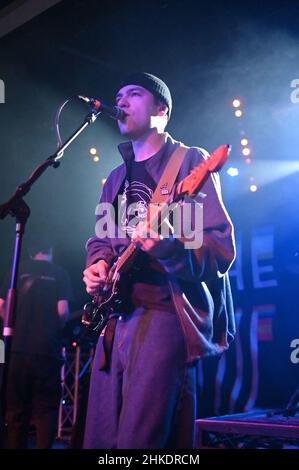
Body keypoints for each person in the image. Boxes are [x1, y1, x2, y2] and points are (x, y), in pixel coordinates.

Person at [82, 72, 236, 449]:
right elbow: (101, 240)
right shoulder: (115, 178)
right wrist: (97, 265)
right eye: (118, 95)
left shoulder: (189, 163)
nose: (122, 102)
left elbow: (219, 249)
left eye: (134, 94)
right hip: (115, 320)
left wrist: (167, 248)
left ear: (161, 111)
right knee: (100, 439)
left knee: (143, 440)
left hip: (164, 313)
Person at [0, 241, 72, 449]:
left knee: (15, 409)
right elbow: (63, 312)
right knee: (45, 409)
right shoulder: (59, 273)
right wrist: (49, 328)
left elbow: (2, 306)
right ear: (51, 250)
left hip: (15, 350)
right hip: (47, 349)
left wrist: (16, 325)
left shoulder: (16, 269)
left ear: (31, 252)